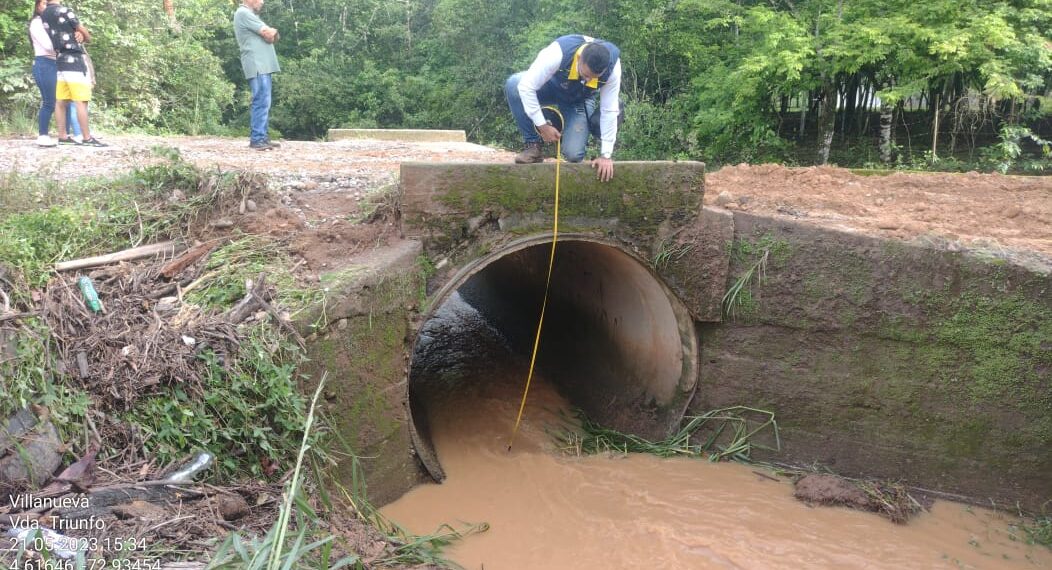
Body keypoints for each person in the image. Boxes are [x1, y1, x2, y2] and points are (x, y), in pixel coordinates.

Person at [505, 34, 622, 181]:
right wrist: (542, 125)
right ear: (579, 59)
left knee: (573, 155)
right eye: (585, 75)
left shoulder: (613, 68)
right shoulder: (557, 53)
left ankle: (570, 136)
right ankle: (533, 145)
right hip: (550, 87)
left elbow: (609, 110)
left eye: (594, 77)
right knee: (514, 84)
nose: (588, 80)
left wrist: (606, 155)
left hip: (579, 100)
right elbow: (526, 86)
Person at [41, 0, 106, 147]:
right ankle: (87, 138)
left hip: (60, 60)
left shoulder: (44, 14)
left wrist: (76, 33)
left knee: (61, 101)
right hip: (75, 60)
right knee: (81, 100)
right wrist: (82, 34)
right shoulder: (64, 11)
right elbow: (87, 36)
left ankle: (62, 136)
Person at [233, 0, 280, 151]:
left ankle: (262, 137)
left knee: (264, 101)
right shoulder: (244, 13)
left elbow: (274, 37)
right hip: (257, 64)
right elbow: (268, 33)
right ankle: (257, 139)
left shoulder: (250, 15)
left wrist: (272, 33)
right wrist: (271, 31)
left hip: (262, 65)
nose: (262, 1)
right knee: (261, 100)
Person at [29, 0, 58, 147]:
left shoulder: (51, 22)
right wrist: (63, 46)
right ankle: (43, 135)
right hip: (44, 63)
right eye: (44, 3)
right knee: (49, 102)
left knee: (62, 101)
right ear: (38, 6)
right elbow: (47, 46)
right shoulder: (36, 22)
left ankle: (65, 134)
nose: (48, 7)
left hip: (55, 63)